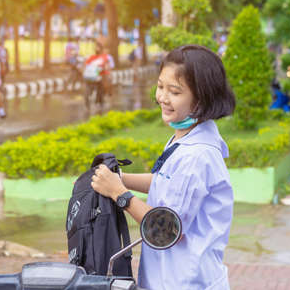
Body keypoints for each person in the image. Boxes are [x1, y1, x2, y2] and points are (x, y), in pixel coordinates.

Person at [91, 45, 236, 289]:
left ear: (202, 98)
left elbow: (167, 231)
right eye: (160, 87)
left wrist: (119, 194)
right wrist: (120, 178)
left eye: (175, 91)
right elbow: (166, 181)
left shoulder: (197, 156)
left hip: (187, 282)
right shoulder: (185, 136)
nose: (162, 98)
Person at [82, 40, 111, 111]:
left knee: (101, 88)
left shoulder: (104, 57)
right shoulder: (92, 57)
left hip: (100, 76)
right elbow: (86, 65)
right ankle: (90, 103)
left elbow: (107, 66)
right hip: (91, 76)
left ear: (101, 49)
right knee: (87, 89)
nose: (96, 49)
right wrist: (84, 71)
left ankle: (100, 102)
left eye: (98, 47)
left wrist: (106, 71)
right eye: (95, 47)